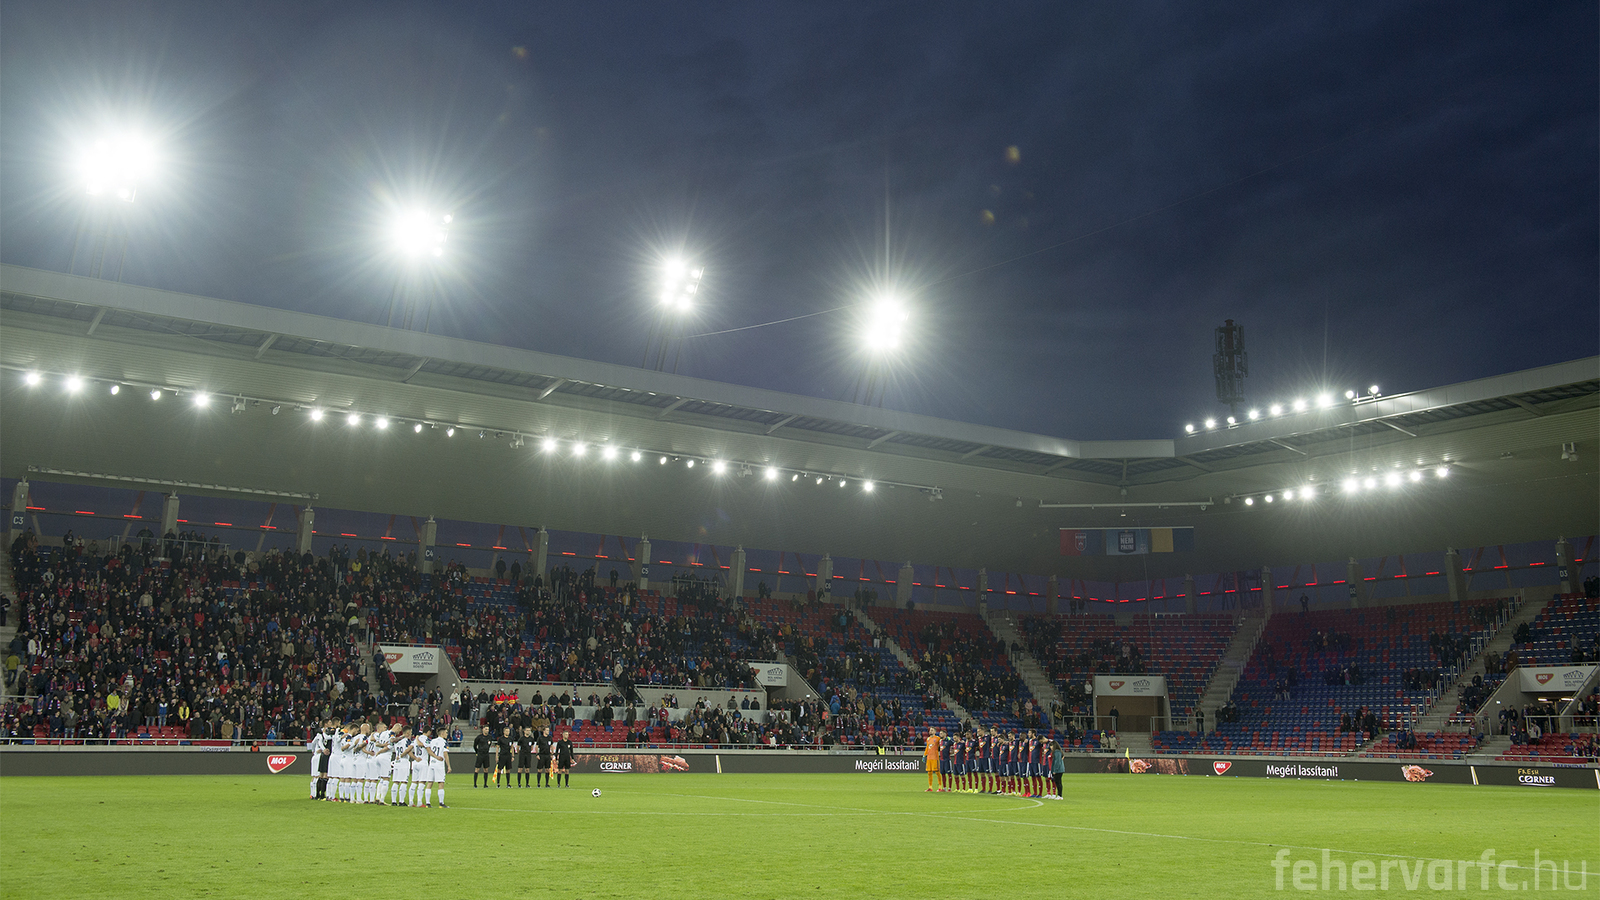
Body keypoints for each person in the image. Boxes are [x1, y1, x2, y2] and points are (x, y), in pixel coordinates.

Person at [923, 728, 941, 792]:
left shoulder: (938, 738)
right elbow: (927, 748)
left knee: (937, 772)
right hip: (929, 758)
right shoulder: (928, 739)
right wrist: (924, 755)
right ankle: (930, 787)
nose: (930, 731)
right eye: (930, 730)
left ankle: (940, 787)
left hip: (935, 757)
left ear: (935, 731)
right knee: (929, 772)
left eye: (932, 730)